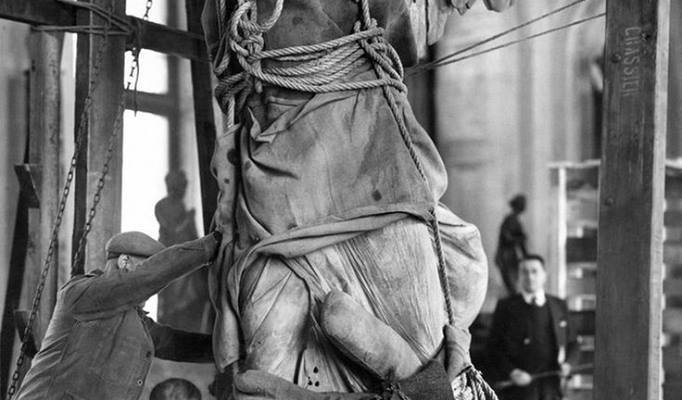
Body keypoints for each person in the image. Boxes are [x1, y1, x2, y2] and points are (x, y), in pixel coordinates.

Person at [15, 231, 221, 400]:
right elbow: (146, 279)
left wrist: (230, 346)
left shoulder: (137, 322)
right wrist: (210, 245)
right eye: (145, 267)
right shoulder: (80, 294)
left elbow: (174, 343)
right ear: (124, 262)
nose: (154, 289)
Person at [486, 255, 578, 400]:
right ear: (519, 276)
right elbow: (492, 348)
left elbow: (573, 343)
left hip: (552, 388)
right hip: (518, 391)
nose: (530, 276)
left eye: (534, 271)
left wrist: (568, 364)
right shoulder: (506, 307)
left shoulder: (558, 305)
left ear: (544, 275)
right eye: (525, 272)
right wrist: (512, 372)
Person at [494, 194, 528, 294]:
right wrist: (521, 238)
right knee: (511, 286)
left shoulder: (515, 220)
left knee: (514, 285)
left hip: (511, 256)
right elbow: (507, 238)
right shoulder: (510, 220)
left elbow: (521, 244)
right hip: (507, 257)